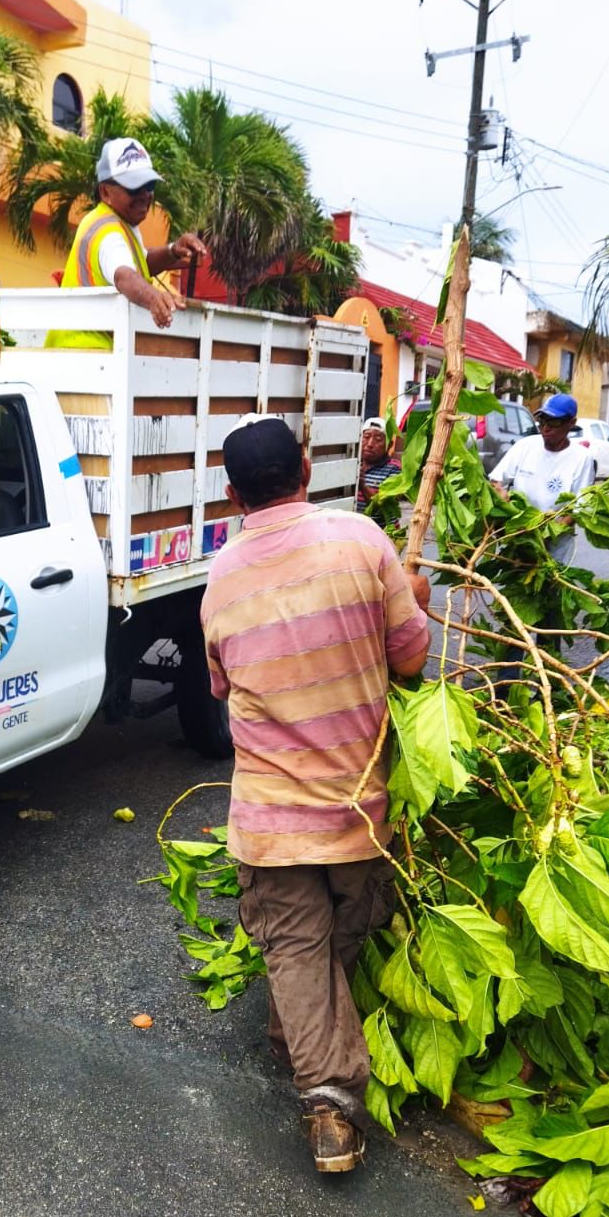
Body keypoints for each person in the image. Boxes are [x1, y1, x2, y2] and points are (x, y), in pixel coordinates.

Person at [201, 416, 430, 1175]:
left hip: (269, 814)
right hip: (357, 805)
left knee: (299, 944)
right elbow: (410, 661)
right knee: (340, 930)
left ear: (233, 494)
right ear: (305, 468)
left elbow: (221, 685)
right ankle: (329, 1098)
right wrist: (415, 599)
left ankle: (301, 1046)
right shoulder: (363, 541)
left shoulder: (220, 579)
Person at [45, 137, 207, 349]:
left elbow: (141, 262)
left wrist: (172, 251)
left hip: (87, 352)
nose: (144, 195)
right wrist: (155, 299)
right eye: (133, 187)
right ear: (105, 192)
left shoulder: (122, 223)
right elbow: (124, 275)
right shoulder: (107, 232)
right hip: (86, 352)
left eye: (149, 185)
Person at [489, 392, 595, 564]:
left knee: (550, 589)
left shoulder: (581, 458)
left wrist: (543, 535)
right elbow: (496, 480)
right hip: (518, 541)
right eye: (542, 421)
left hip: (555, 546)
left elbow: (577, 508)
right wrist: (500, 493)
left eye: (553, 422)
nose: (546, 428)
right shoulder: (525, 446)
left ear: (571, 423)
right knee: (514, 590)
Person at [355, 415, 398, 510]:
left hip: (380, 525)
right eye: (366, 437)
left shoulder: (394, 469)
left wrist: (362, 485)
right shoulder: (355, 463)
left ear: (389, 445)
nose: (370, 444)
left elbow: (385, 508)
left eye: (378, 439)